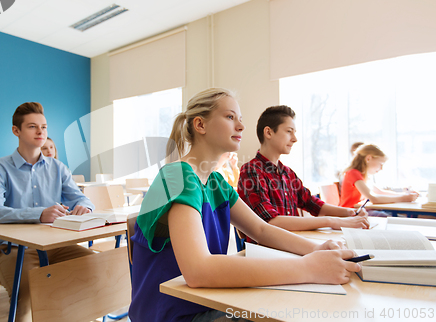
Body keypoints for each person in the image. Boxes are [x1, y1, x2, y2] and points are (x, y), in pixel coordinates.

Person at [128, 89, 361, 322]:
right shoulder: (177, 176)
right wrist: (308, 268)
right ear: (200, 125)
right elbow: (198, 271)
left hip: (203, 300)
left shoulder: (216, 182)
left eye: (240, 119)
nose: (241, 126)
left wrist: (316, 250)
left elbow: (261, 230)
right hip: (173, 312)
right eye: (230, 117)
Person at [0, 102, 95, 322]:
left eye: (43, 127)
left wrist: (85, 206)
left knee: (101, 270)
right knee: (29, 292)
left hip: (56, 245)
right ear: (16, 131)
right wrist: (39, 214)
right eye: (32, 126)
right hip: (13, 250)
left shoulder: (58, 168)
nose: (40, 132)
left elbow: (81, 197)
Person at [237, 106, 369, 233]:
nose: (294, 139)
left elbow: (312, 204)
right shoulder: (251, 170)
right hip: (268, 250)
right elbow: (269, 221)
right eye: (289, 131)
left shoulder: (287, 173)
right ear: (269, 132)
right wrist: (331, 221)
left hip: (293, 243)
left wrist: (350, 213)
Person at [339, 144, 418, 209]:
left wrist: (405, 195)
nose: (381, 168)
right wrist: (403, 198)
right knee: (388, 217)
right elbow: (373, 198)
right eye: (381, 164)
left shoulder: (363, 175)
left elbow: (380, 192)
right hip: (351, 213)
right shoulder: (353, 173)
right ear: (368, 158)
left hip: (360, 210)